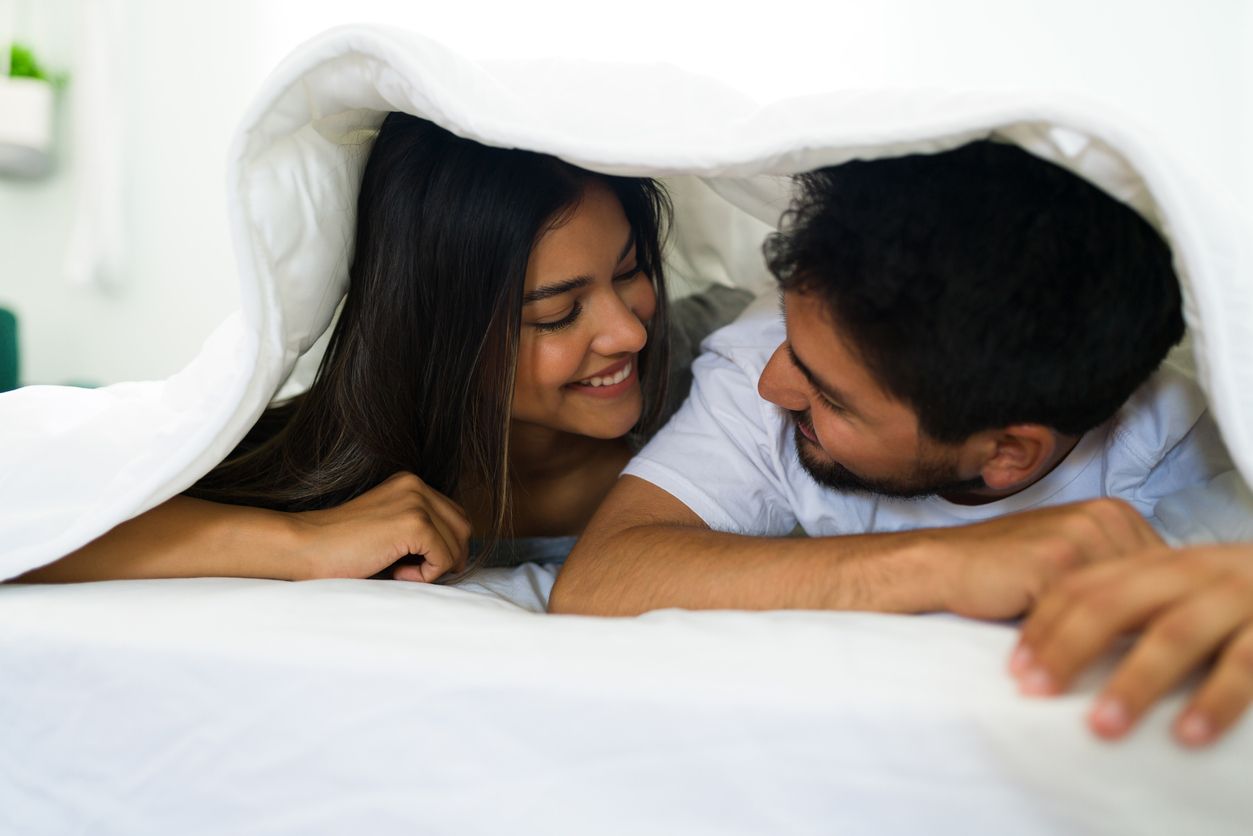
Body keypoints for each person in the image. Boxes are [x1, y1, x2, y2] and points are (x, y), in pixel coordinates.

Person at [550, 140, 1253, 745]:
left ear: (1008, 454)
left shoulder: (1181, 468)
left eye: (829, 397)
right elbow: (600, 579)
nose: (773, 387)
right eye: (789, 347)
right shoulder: (806, 330)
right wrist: (935, 564)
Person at [13, 113, 751, 584]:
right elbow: (31, 507)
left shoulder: (730, 367)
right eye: (557, 314)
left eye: (629, 273)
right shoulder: (345, 465)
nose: (627, 331)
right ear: (440, 332)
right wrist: (297, 543)